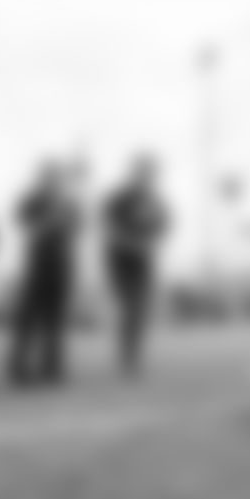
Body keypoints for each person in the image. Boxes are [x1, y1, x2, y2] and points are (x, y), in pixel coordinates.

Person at [8, 161, 83, 388]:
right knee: (27, 318)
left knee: (56, 319)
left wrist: (63, 215)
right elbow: (30, 228)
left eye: (56, 177)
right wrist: (50, 218)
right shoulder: (31, 201)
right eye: (48, 177)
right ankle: (19, 367)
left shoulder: (69, 203)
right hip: (37, 264)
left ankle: (51, 367)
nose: (53, 181)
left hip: (62, 264)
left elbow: (76, 228)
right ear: (41, 178)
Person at [102, 155, 168, 378]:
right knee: (130, 307)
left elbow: (162, 226)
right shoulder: (120, 198)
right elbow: (110, 227)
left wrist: (149, 240)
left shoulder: (154, 200)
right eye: (144, 172)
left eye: (151, 173)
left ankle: (133, 357)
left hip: (143, 258)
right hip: (120, 258)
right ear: (135, 173)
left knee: (140, 308)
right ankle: (127, 358)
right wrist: (132, 242)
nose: (148, 177)